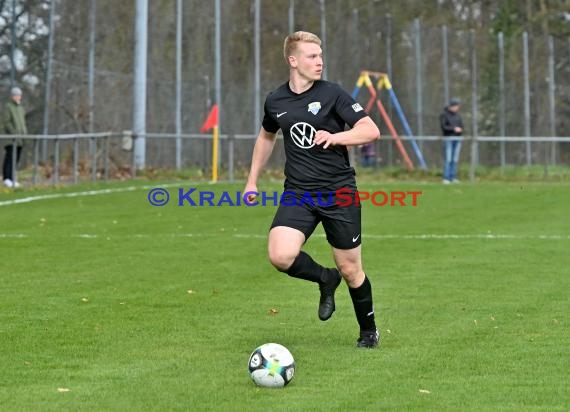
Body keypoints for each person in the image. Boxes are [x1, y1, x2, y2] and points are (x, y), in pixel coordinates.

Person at [243, 31, 381, 348]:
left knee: (350, 268)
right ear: (293, 61)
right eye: (311, 56)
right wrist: (252, 180)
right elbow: (266, 136)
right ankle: (324, 278)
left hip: (339, 192)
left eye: (320, 56)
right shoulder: (276, 100)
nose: (319, 62)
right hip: (299, 192)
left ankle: (368, 331)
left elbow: (370, 130)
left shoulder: (333, 93)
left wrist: (336, 138)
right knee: (280, 255)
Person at [2, 86, 27, 188]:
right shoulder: (8, 107)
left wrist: (24, 134)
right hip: (11, 139)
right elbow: (6, 122)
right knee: (10, 158)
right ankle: (7, 178)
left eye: (19, 95)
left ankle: (12, 178)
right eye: (16, 95)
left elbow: (22, 122)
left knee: (16, 158)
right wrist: (14, 133)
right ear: (12, 96)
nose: (18, 97)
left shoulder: (21, 108)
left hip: (20, 139)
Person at [440, 98, 464, 184]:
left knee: (455, 159)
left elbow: (462, 126)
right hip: (448, 138)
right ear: (451, 106)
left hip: (457, 139)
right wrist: (454, 129)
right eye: (456, 106)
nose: (457, 108)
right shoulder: (444, 115)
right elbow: (444, 127)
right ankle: (446, 177)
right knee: (448, 159)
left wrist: (460, 130)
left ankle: (453, 177)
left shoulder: (458, 116)